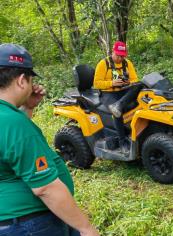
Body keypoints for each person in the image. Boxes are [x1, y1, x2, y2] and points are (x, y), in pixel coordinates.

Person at [0, 43, 99, 236]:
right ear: (21, 80)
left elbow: (11, 147)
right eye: (29, 81)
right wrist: (86, 228)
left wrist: (27, 108)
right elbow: (45, 187)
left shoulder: (8, 118)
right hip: (27, 223)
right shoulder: (12, 122)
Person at [94, 41, 142, 154]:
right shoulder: (103, 63)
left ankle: (119, 105)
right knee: (117, 113)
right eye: (118, 55)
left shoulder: (127, 63)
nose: (120, 58)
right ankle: (122, 142)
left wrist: (128, 82)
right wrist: (112, 83)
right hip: (108, 93)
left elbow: (135, 80)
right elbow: (96, 83)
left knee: (140, 85)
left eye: (122, 55)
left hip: (123, 91)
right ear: (112, 52)